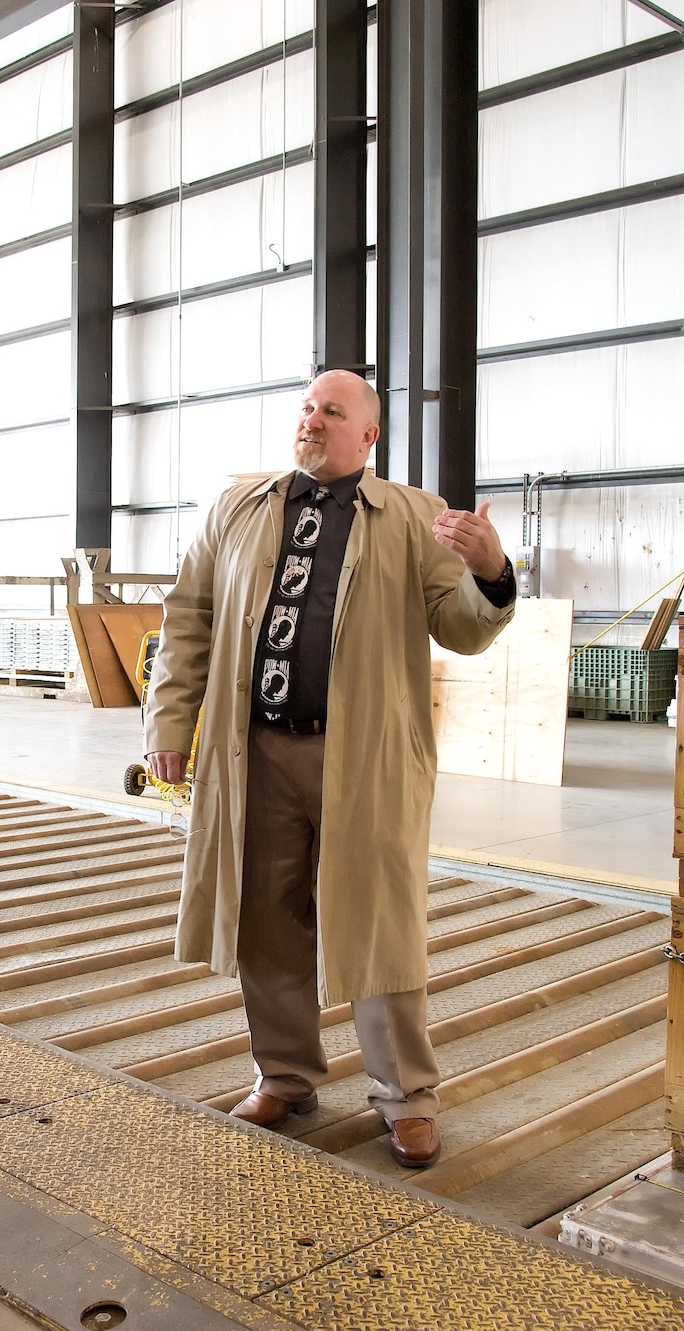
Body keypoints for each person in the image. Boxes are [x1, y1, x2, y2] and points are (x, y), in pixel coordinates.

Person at [142, 369, 517, 1170]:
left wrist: (491, 573)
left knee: (379, 920)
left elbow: (461, 627)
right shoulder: (238, 507)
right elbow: (188, 620)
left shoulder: (414, 517)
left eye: (331, 411)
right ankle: (285, 1075)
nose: (312, 420)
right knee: (266, 917)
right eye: (307, 407)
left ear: (368, 436)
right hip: (257, 754)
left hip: (364, 759)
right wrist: (168, 723)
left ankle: (406, 1097)